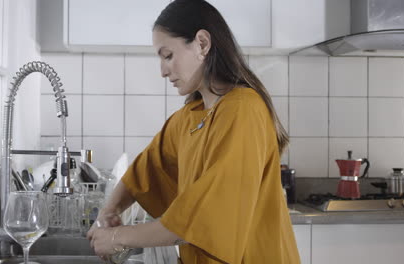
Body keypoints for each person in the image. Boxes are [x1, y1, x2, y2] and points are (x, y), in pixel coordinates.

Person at [87, 0, 300, 263]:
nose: (163, 71)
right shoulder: (189, 117)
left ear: (202, 44)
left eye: (168, 56)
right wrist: (109, 211)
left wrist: (117, 237)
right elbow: (144, 172)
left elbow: (205, 216)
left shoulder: (243, 110)